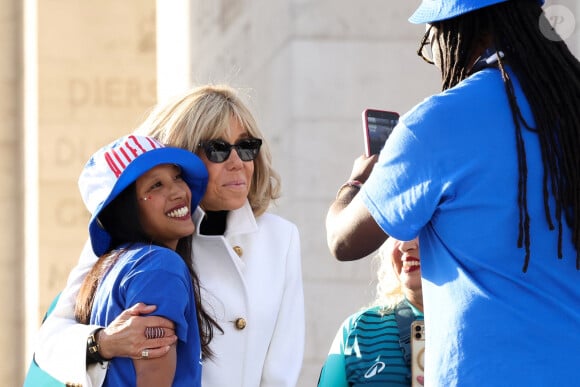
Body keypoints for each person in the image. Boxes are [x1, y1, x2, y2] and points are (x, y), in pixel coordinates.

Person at [325, 0, 580, 385]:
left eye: (432, 40)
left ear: (462, 31)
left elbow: (344, 241)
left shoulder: (437, 122)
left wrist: (355, 183)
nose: (435, 53)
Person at [32, 85, 305, 387]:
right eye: (217, 149)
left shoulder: (281, 238)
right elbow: (49, 341)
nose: (237, 162)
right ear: (183, 156)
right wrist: (105, 342)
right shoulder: (138, 240)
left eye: (246, 147)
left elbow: (282, 369)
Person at [74, 134, 217, 385]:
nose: (177, 192)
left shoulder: (113, 267)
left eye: (176, 177)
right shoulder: (159, 266)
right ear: (126, 209)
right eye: (155, 186)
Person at [318, 237, 424, 387]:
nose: (405, 245)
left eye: (423, 230)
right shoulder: (357, 329)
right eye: (397, 232)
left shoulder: (470, 328)